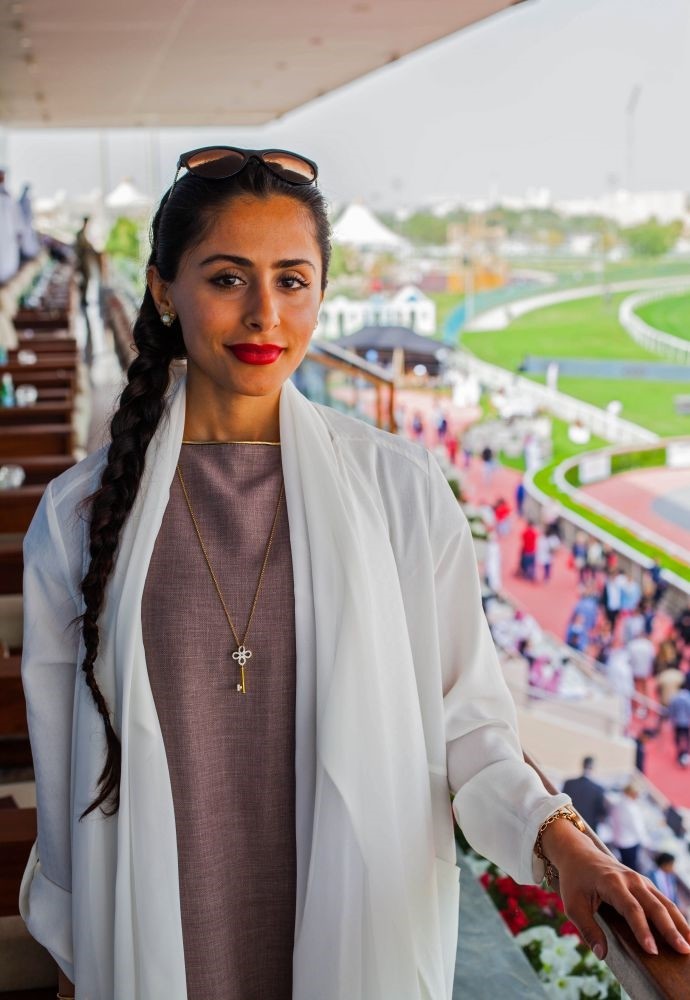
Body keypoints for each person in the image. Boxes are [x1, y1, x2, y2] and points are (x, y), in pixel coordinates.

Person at [19, 146, 690, 999]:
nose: (266, 313)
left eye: (292, 281)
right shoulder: (81, 517)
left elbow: (469, 728)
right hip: (157, 939)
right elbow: (61, 767)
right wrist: (87, 947)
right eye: (228, 278)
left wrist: (570, 846)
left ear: (322, 294)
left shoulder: (400, 493)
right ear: (162, 290)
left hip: (351, 935)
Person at [562, 757, 608, 834]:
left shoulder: (569, 784)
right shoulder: (598, 789)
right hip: (588, 830)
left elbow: (563, 805)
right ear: (593, 767)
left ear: (583, 765)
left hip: (569, 826)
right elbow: (601, 813)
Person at [608, 785, 647, 873]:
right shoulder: (630, 808)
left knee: (625, 863)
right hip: (629, 843)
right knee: (631, 867)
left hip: (619, 839)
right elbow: (637, 828)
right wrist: (646, 842)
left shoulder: (618, 803)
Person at [668, 680, 690, 766]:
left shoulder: (675, 697)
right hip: (685, 722)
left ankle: (680, 753)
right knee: (686, 738)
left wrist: (671, 719)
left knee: (678, 738)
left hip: (676, 722)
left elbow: (671, 710)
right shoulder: (688, 697)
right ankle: (685, 753)